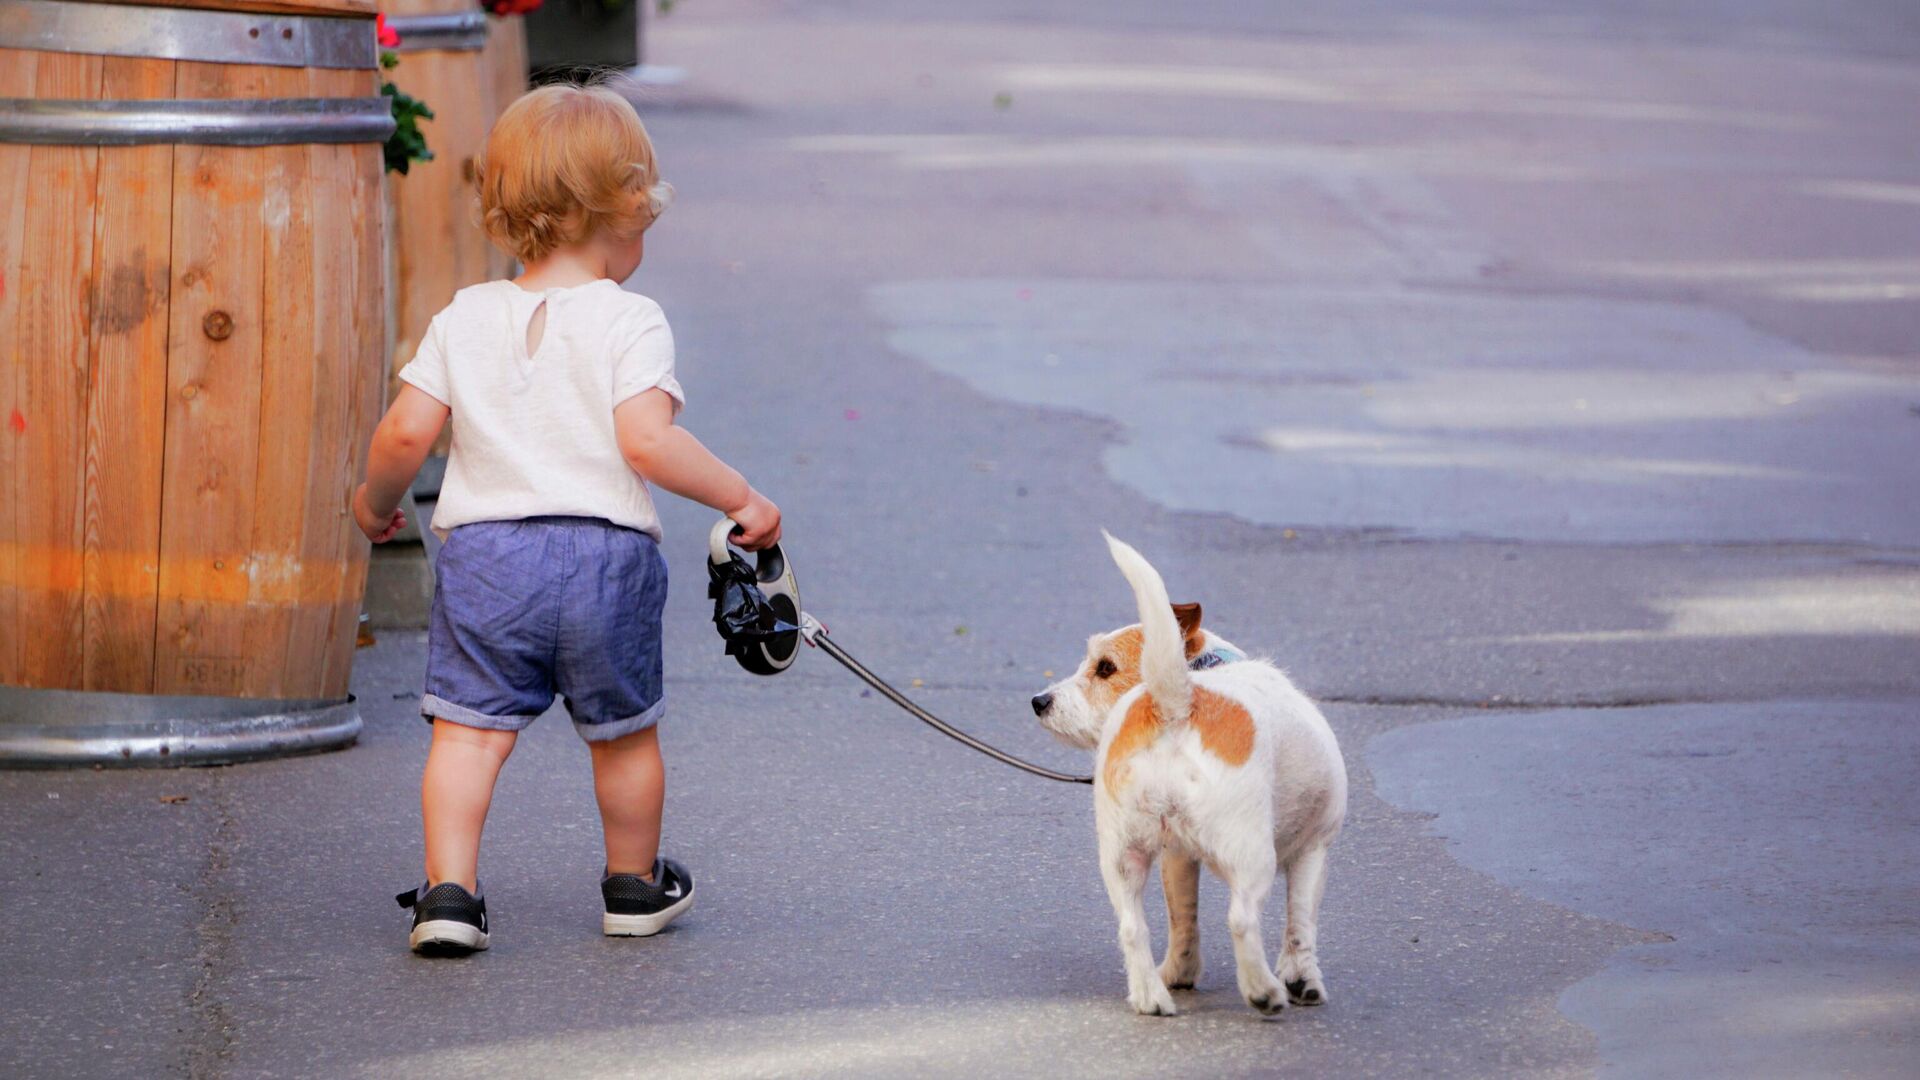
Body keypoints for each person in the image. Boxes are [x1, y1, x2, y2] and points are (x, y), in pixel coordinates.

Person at [352, 83, 781, 956]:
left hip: (486, 560)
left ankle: (448, 895)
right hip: (604, 561)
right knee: (622, 738)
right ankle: (632, 883)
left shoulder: (466, 315)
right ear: (624, 212)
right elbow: (648, 442)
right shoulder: (631, 320)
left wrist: (374, 505)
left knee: (469, 737)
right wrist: (741, 498)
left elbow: (405, 430)